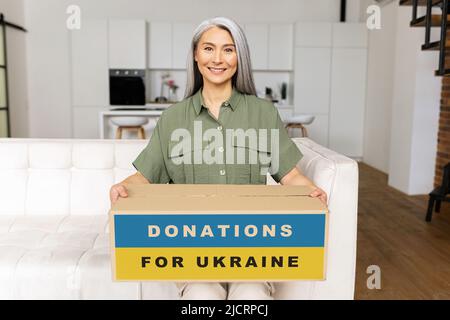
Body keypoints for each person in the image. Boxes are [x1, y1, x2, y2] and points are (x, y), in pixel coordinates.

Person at [109, 17, 327, 300]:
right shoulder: (173, 118)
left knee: (252, 294)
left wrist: (311, 192)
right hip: (191, 245)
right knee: (202, 294)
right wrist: (123, 188)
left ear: (240, 57)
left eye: (228, 49)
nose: (218, 59)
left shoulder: (263, 113)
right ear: (196, 55)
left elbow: (290, 175)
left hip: (251, 245)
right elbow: (145, 177)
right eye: (209, 48)